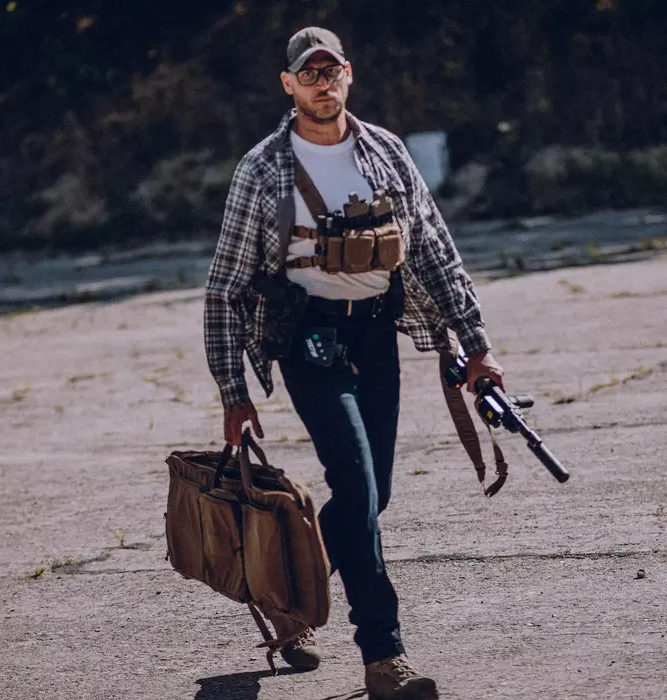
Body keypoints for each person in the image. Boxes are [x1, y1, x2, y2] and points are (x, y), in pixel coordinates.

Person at [204, 26, 504, 700]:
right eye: (308, 74)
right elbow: (225, 286)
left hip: (376, 334)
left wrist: (477, 344)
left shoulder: (385, 151)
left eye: (330, 70)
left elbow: (435, 250)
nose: (322, 82)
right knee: (358, 485)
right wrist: (232, 391)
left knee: (375, 495)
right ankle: (384, 655)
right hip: (306, 339)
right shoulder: (262, 169)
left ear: (349, 74)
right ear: (288, 85)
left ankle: (288, 604)